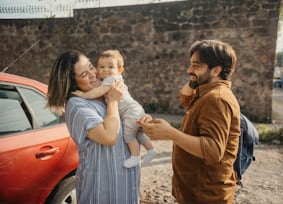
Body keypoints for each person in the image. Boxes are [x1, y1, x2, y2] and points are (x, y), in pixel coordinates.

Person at [138, 40, 241, 203]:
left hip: (205, 196)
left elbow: (212, 150)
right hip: (195, 192)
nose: (189, 70)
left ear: (215, 70)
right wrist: (195, 77)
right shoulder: (206, 92)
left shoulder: (217, 99)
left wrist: (170, 133)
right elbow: (185, 97)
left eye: (196, 65)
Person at [47, 49, 140, 203]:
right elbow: (109, 137)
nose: (93, 74)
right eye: (84, 74)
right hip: (103, 189)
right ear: (72, 82)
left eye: (91, 67)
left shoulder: (103, 93)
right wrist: (113, 102)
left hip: (126, 184)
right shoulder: (77, 105)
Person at [73, 49, 157, 168]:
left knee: (129, 135)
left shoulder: (111, 80)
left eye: (110, 67)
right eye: (102, 66)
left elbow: (98, 91)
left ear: (120, 70)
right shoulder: (114, 80)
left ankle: (135, 156)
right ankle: (151, 150)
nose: (106, 69)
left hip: (130, 112)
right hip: (135, 109)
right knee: (138, 134)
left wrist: (83, 95)